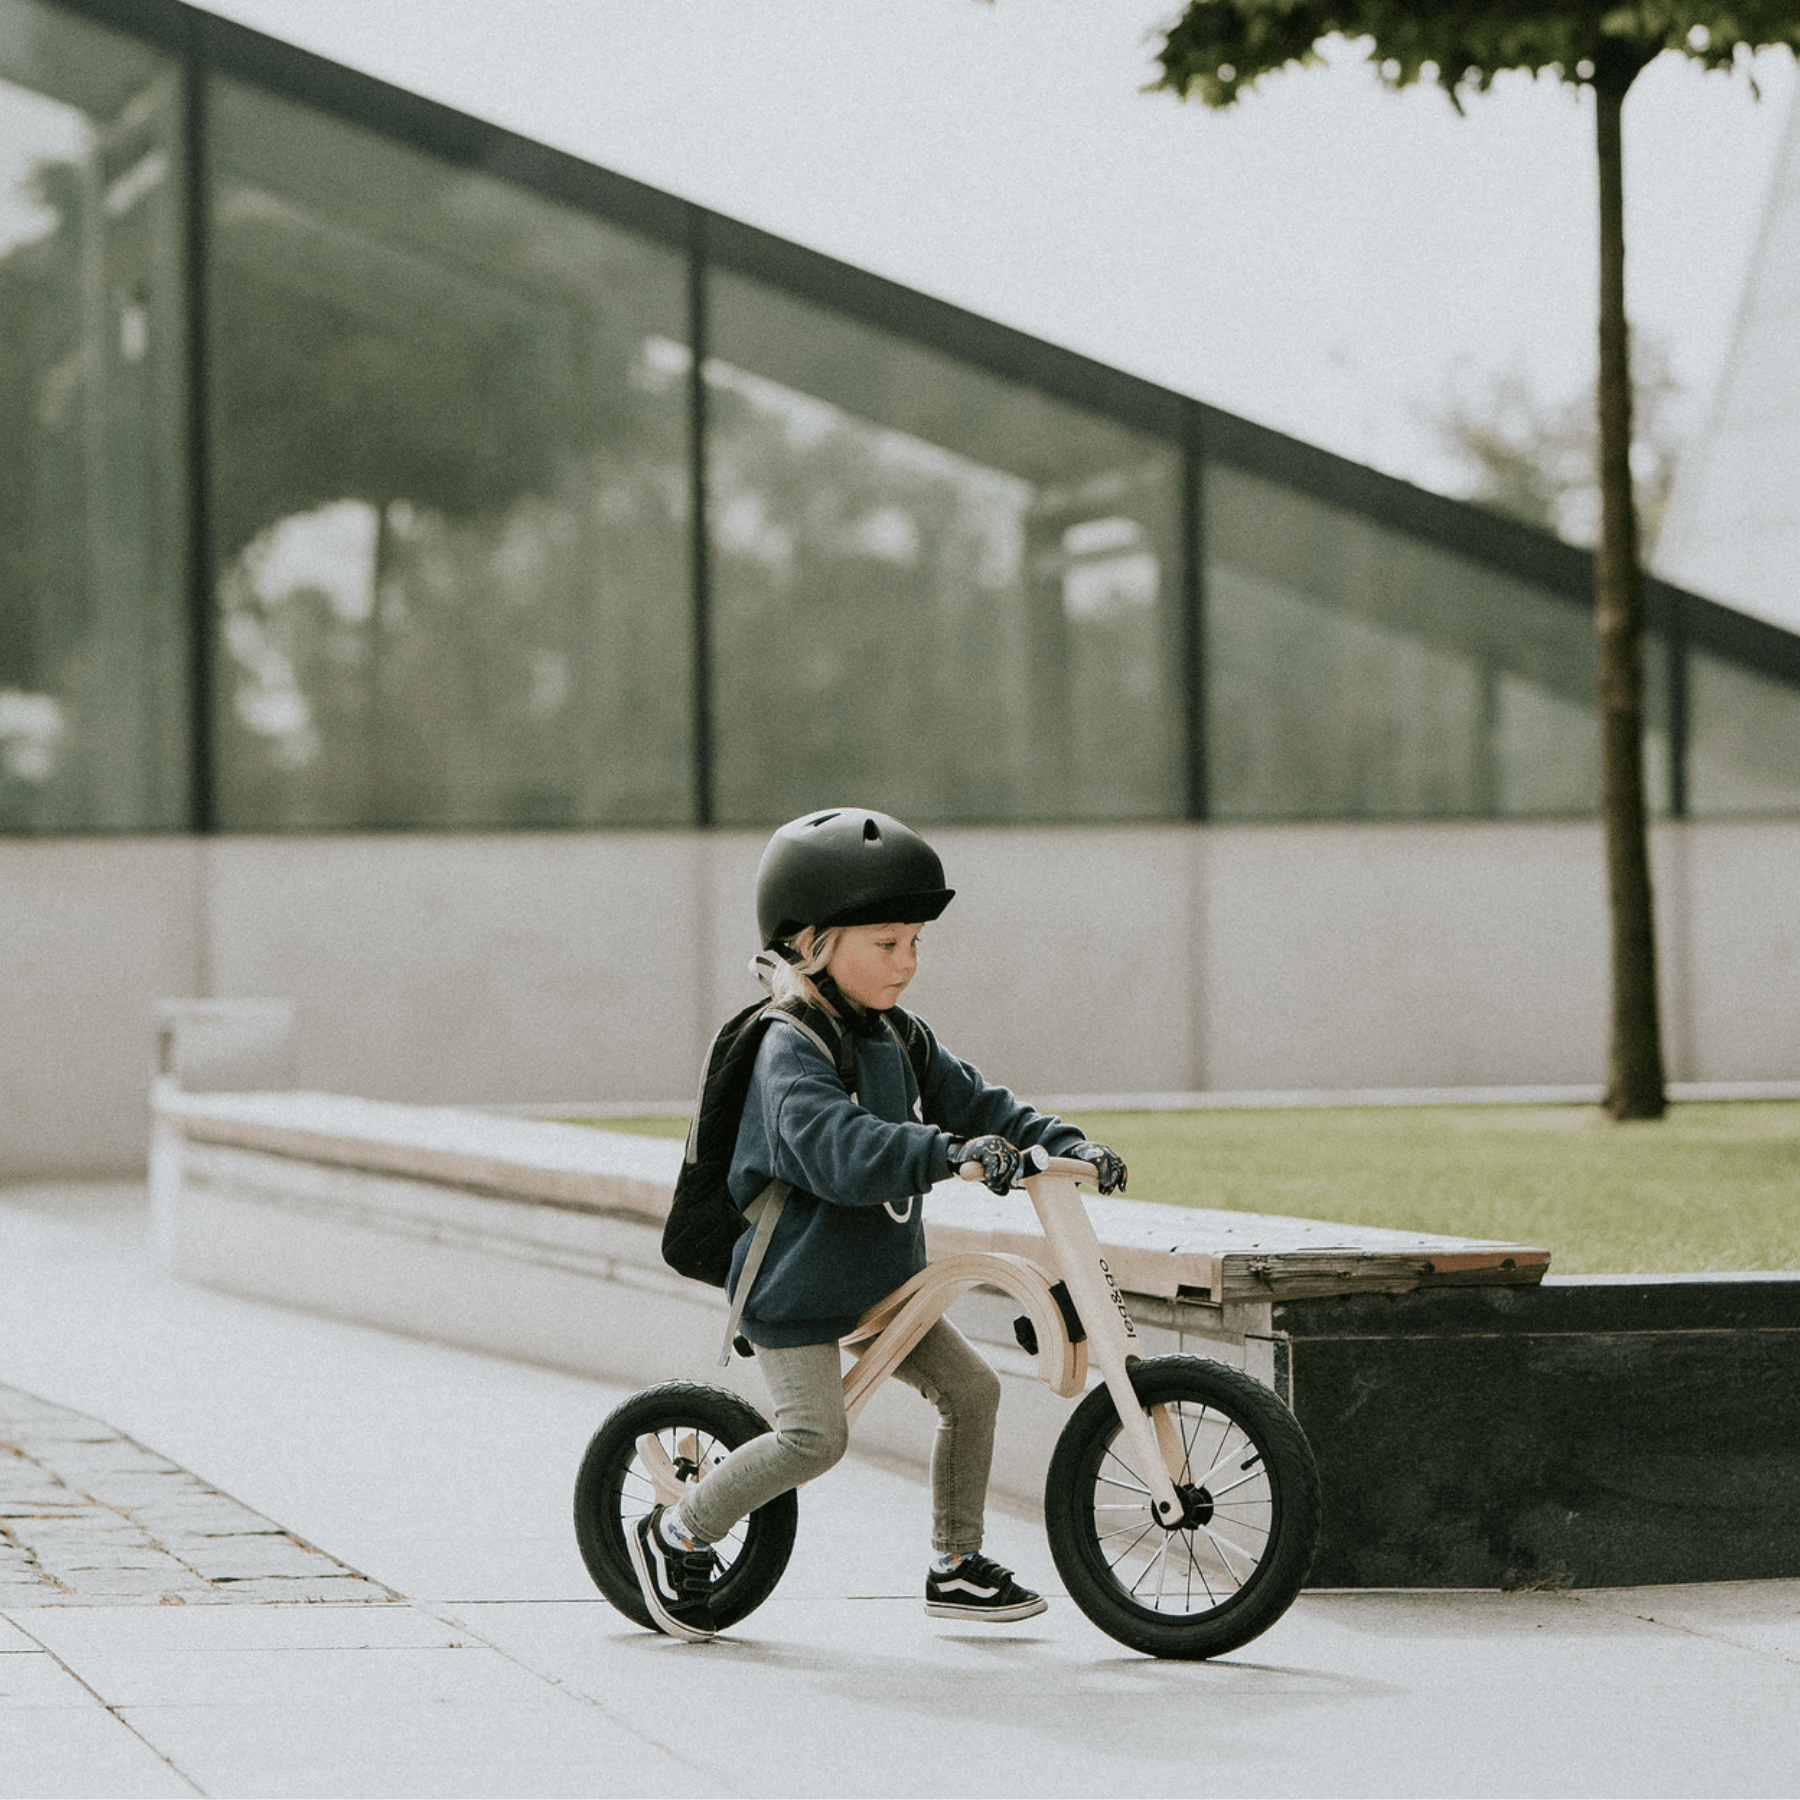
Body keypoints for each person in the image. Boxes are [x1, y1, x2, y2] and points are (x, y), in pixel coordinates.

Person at [628, 807, 1127, 1642]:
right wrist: (948, 1153)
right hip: (792, 1282)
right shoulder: (787, 1045)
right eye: (887, 944)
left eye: (915, 943)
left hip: (876, 1276)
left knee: (972, 1391)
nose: (908, 962)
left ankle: (955, 1566)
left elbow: (981, 1103)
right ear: (815, 943)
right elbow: (835, 1150)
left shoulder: (898, 1033)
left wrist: (1061, 1143)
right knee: (813, 1440)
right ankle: (676, 1532)